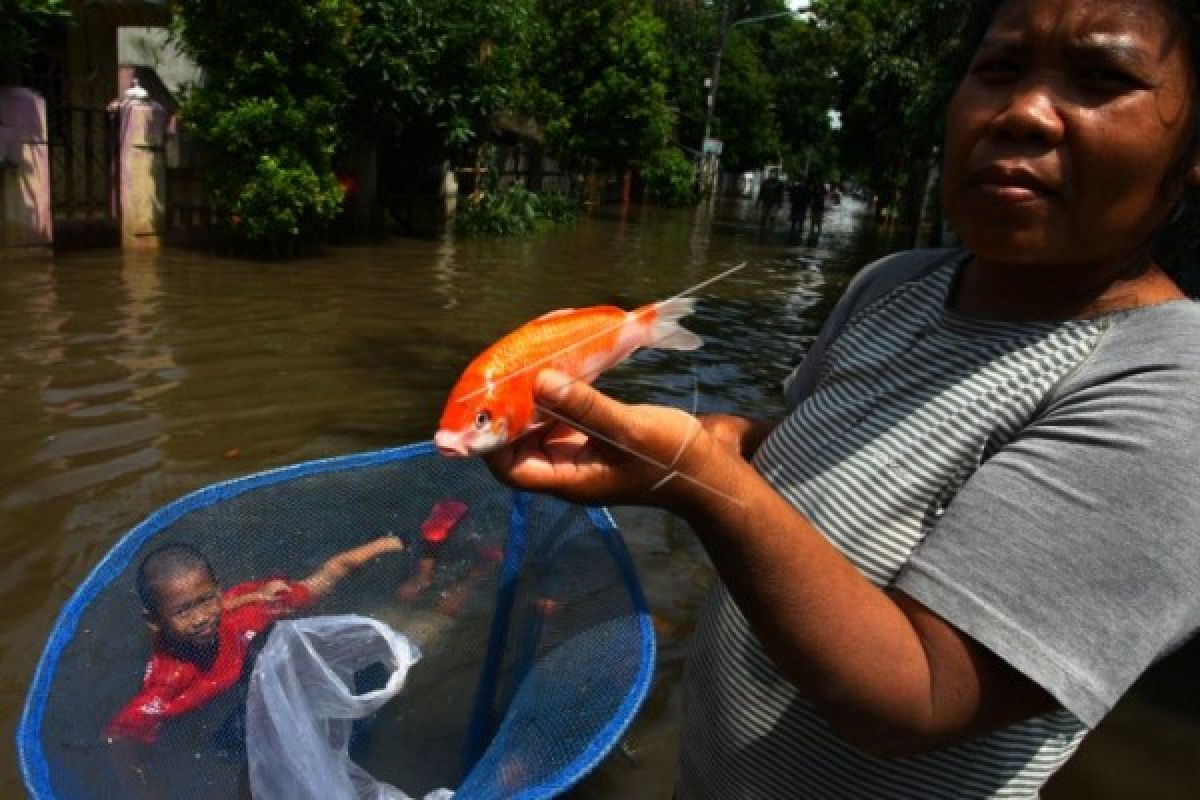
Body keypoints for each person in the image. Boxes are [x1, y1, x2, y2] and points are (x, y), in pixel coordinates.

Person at [483, 0, 1200, 796]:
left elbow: (918, 699)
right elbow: (822, 449)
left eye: (1103, 78)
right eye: (997, 69)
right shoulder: (894, 285)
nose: (1024, 113)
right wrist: (718, 439)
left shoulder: (1173, 393)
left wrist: (695, 482)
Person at [107, 535, 403, 743]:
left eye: (205, 601)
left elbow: (327, 575)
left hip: (244, 622)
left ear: (219, 592)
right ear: (154, 622)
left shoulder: (248, 616)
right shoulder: (172, 680)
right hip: (229, 690)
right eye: (182, 612)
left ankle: (386, 543)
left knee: (310, 591)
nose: (199, 619)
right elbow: (120, 736)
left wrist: (384, 545)